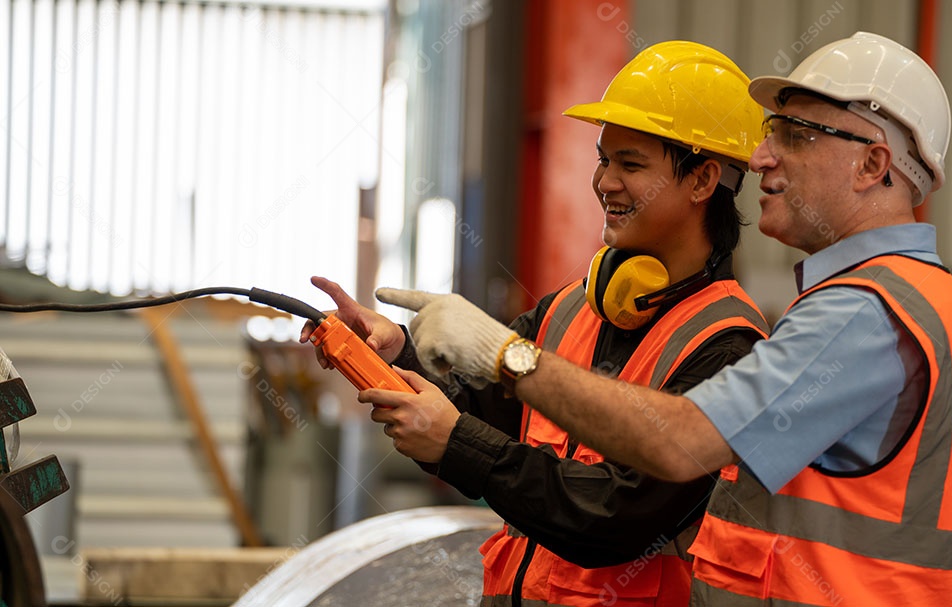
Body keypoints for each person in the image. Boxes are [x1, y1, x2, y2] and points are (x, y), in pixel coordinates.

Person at [369, 32, 952, 606]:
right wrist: (401, 355)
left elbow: (675, 447)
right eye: (771, 133)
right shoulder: (922, 303)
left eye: (796, 136)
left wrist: (503, 354)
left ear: (873, 165)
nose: (760, 159)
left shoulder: (862, 314)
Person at [306, 41, 770, 607]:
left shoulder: (729, 346)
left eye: (631, 164)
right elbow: (476, 408)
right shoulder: (570, 310)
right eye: (604, 159)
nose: (604, 182)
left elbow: (616, 516)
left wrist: (455, 442)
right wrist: (393, 353)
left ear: (702, 180)